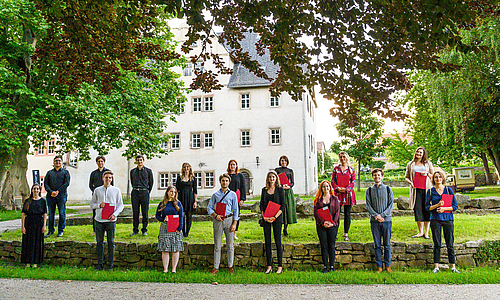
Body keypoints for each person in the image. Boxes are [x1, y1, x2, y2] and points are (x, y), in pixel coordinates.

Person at [425, 170, 460, 274]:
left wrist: (444, 209)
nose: (438, 179)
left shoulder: (449, 190)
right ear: (433, 179)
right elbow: (427, 207)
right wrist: (437, 205)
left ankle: (453, 267)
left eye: (440, 177)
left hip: (448, 219)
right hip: (435, 219)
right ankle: (436, 267)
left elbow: (455, 206)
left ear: (443, 178)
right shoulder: (430, 191)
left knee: (450, 243)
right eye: (436, 177)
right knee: (437, 244)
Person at [90, 171, 124, 271]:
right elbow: (92, 204)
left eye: (110, 178)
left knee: (111, 242)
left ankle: (110, 265)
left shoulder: (116, 190)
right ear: (103, 178)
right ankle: (99, 264)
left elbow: (120, 205)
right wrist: (99, 205)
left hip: (110, 220)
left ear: (112, 179)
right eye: (106, 177)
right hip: (99, 220)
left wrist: (115, 214)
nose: (108, 179)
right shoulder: (97, 190)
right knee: (99, 242)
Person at [207, 174, 239, 274]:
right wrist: (215, 215)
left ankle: (230, 266)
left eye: (226, 181)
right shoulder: (215, 195)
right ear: (220, 182)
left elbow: (236, 210)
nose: (224, 182)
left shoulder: (233, 194)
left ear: (229, 182)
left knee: (230, 245)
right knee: (217, 245)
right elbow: (209, 208)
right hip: (218, 220)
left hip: (229, 219)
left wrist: (234, 223)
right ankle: (216, 267)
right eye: (223, 180)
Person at [365, 168, 394, 273]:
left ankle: (388, 265)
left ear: (382, 177)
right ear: (372, 177)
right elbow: (368, 205)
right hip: (374, 221)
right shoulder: (369, 190)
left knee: (387, 245)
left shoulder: (387, 189)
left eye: (378, 175)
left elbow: (391, 204)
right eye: (375, 175)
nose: (377, 177)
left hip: (386, 221)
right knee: (377, 245)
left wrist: (382, 215)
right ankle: (379, 266)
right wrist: (376, 216)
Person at [260, 171, 286, 274]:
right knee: (267, 242)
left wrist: (275, 216)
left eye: (273, 177)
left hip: (277, 218)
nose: (271, 179)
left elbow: (283, 205)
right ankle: (269, 265)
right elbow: (262, 204)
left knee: (278, 241)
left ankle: (279, 266)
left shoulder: (280, 190)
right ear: (268, 178)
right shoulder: (264, 190)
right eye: (270, 177)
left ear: (276, 178)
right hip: (266, 218)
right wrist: (264, 216)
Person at [405, 147, 434, 239]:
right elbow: (406, 177)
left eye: (421, 152)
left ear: (423, 154)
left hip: (426, 189)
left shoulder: (428, 164)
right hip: (416, 190)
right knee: (417, 209)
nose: (419, 153)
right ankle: (420, 232)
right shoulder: (410, 164)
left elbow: (433, 175)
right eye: (418, 151)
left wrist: (427, 173)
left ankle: (426, 233)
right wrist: (411, 183)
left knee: (427, 209)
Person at [313, 180, 340, 273]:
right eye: (324, 186)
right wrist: (323, 222)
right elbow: (316, 214)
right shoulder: (318, 200)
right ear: (321, 188)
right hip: (321, 225)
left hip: (333, 225)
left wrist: (333, 223)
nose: (326, 188)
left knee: (331, 245)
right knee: (324, 245)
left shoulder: (335, 199)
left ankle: (332, 266)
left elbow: (337, 212)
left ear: (330, 188)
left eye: (327, 186)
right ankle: (325, 266)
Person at [156, 186, 184, 273]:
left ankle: (174, 269)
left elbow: (181, 216)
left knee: (175, 249)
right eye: (171, 191)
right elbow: (157, 215)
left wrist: (180, 227)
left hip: (175, 228)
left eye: (174, 192)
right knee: (165, 249)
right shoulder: (162, 203)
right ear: (167, 192)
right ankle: (165, 269)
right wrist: (163, 219)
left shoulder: (178, 203)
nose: (173, 194)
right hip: (165, 227)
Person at [331, 151, 356, 241]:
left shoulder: (351, 169)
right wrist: (337, 188)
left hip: (347, 195)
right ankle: (334, 233)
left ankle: (346, 233)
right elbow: (332, 181)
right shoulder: (336, 169)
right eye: (341, 157)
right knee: (336, 214)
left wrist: (346, 189)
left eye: (344, 157)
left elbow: (353, 181)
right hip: (338, 194)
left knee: (347, 214)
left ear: (346, 158)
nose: (342, 158)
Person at [21, 184, 47, 268]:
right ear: (32, 190)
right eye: (34, 189)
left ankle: (35, 262)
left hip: (38, 223)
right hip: (29, 223)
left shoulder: (43, 201)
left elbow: (45, 214)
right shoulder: (28, 201)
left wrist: (44, 225)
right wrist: (23, 226)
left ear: (39, 190)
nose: (36, 190)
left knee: (37, 242)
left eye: (37, 189)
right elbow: (23, 214)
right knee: (28, 242)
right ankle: (28, 262)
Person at [44, 155, 71, 237]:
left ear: (61, 162)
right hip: (50, 196)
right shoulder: (49, 173)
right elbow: (45, 184)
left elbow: (66, 183)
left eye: (59, 161)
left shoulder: (65, 172)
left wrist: (58, 191)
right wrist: (51, 191)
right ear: (53, 162)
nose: (57, 162)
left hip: (61, 196)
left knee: (62, 213)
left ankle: (60, 230)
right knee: (51, 214)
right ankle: (51, 230)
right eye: (56, 161)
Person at [130, 155, 153, 236]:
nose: (139, 161)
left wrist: (146, 191)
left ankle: (144, 229)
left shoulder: (148, 171)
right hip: (135, 192)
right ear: (136, 161)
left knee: (145, 212)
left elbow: (151, 183)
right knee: (135, 213)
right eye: (138, 160)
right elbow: (132, 182)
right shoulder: (133, 171)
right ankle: (135, 230)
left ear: (143, 160)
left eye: (140, 160)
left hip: (144, 192)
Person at [89, 155, 113, 234]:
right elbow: (90, 184)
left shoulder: (108, 172)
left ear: (104, 162)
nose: (100, 163)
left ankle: (106, 231)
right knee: (95, 212)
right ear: (96, 163)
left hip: (107, 194)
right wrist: (96, 192)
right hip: (97, 195)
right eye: (99, 161)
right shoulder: (93, 173)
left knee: (107, 212)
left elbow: (112, 184)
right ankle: (95, 230)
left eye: (102, 161)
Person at [275, 155, 297, 237]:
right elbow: (275, 180)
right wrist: (280, 185)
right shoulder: (277, 170)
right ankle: (278, 227)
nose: (283, 162)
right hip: (280, 190)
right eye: (282, 160)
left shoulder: (290, 171)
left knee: (287, 208)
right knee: (280, 208)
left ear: (287, 162)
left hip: (288, 191)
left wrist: (289, 186)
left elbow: (292, 182)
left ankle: (285, 228)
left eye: (285, 161)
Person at [175, 162, 197, 238]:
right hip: (181, 198)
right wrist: (175, 200)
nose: (186, 168)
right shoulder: (179, 178)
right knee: (182, 215)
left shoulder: (193, 178)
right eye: (184, 167)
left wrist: (195, 201)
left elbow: (195, 191)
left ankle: (187, 232)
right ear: (182, 168)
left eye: (188, 167)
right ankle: (182, 231)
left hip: (190, 198)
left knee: (189, 215)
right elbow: (176, 189)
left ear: (190, 168)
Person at [227, 159, 246, 239]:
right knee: (227, 214)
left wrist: (242, 199)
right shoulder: (226, 175)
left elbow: (243, 187)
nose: (232, 166)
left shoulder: (240, 176)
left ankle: (235, 233)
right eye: (231, 164)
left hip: (237, 197)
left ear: (236, 166)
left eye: (234, 164)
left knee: (236, 214)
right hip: (228, 197)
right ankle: (227, 233)